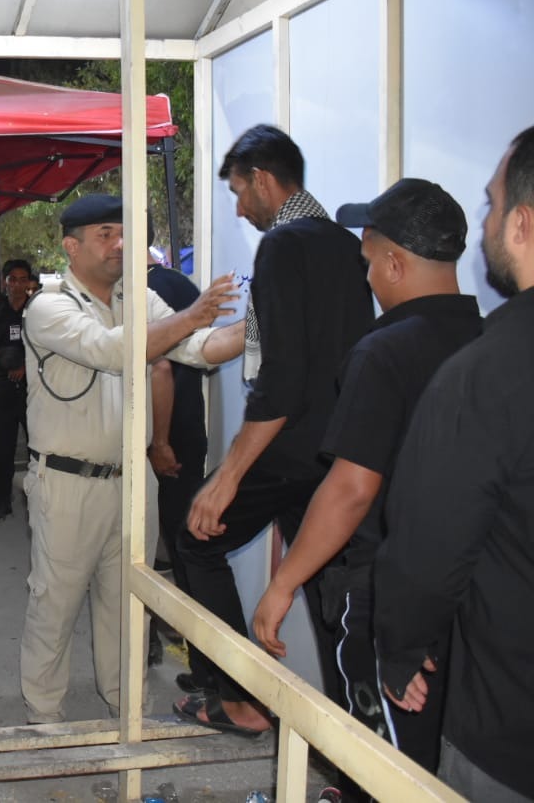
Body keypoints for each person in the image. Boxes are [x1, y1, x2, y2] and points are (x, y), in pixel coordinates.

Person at [248, 178, 480, 781]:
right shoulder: (487, 341)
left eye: (369, 262)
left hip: (388, 597)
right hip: (467, 598)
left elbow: (351, 490)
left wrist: (283, 584)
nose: (368, 277)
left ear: (395, 264)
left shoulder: (383, 353)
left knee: (379, 764)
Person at [175, 125, 373, 736]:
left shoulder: (285, 243)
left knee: (195, 536)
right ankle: (354, 742)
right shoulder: (345, 243)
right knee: (328, 594)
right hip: (338, 450)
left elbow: (283, 378)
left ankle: (243, 698)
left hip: (289, 449)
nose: (239, 208)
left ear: (262, 180)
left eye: (239, 192)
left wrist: (229, 476)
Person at [20, 194, 244, 724]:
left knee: (129, 606)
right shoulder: (49, 305)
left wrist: (262, 325)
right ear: (71, 246)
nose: (120, 243)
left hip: (133, 479)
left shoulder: (138, 297)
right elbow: (111, 349)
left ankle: (129, 711)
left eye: (124, 233)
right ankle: (44, 718)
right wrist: (191, 315)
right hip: (67, 482)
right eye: (105, 234)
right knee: (55, 604)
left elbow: (201, 348)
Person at [375, 128, 534, 802]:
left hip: (508, 733)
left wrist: (401, 647)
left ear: (523, 224)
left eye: (493, 204)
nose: (486, 222)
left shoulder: (486, 372)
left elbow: (428, 547)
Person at [143, 217, 210, 675]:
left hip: (169, 438)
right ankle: (161, 638)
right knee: (164, 542)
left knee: (173, 542)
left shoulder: (162, 289)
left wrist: (161, 442)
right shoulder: (177, 286)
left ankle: (197, 656)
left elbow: (167, 367)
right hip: (160, 437)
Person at [0, 258, 34, 524]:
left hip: (33, 391)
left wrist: (25, 366)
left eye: (22, 279)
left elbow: (48, 349)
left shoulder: (37, 311)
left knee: (37, 450)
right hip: (3, 389)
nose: (17, 284)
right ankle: (3, 502)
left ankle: (38, 501)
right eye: (12, 279)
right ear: (4, 282)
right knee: (3, 451)